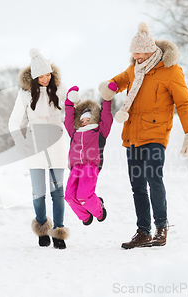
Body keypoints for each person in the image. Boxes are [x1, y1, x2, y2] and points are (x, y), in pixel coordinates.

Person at [101, 22, 188, 249]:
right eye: (133, 52)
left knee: (153, 179)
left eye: (140, 52)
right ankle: (143, 231)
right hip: (132, 135)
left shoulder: (171, 70)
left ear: (151, 50)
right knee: (137, 184)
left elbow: (183, 104)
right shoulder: (134, 68)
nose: (136, 56)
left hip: (155, 135)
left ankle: (161, 228)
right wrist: (110, 86)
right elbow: (117, 82)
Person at [8, 48, 69, 249]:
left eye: (48, 74)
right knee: (38, 193)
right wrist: (22, 142)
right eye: (41, 76)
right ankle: (42, 226)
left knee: (58, 192)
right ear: (34, 77)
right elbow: (13, 123)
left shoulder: (60, 90)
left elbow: (72, 113)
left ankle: (58, 231)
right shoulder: (25, 95)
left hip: (57, 146)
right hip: (35, 146)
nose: (45, 78)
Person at [63, 83, 116, 225]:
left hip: (90, 165)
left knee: (83, 196)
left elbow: (106, 115)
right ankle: (85, 217)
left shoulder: (99, 131)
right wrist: (68, 102)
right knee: (68, 196)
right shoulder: (74, 132)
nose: (85, 122)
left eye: (88, 119)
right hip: (75, 167)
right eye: (82, 120)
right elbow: (68, 118)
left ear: (94, 119)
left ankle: (99, 210)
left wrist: (107, 99)